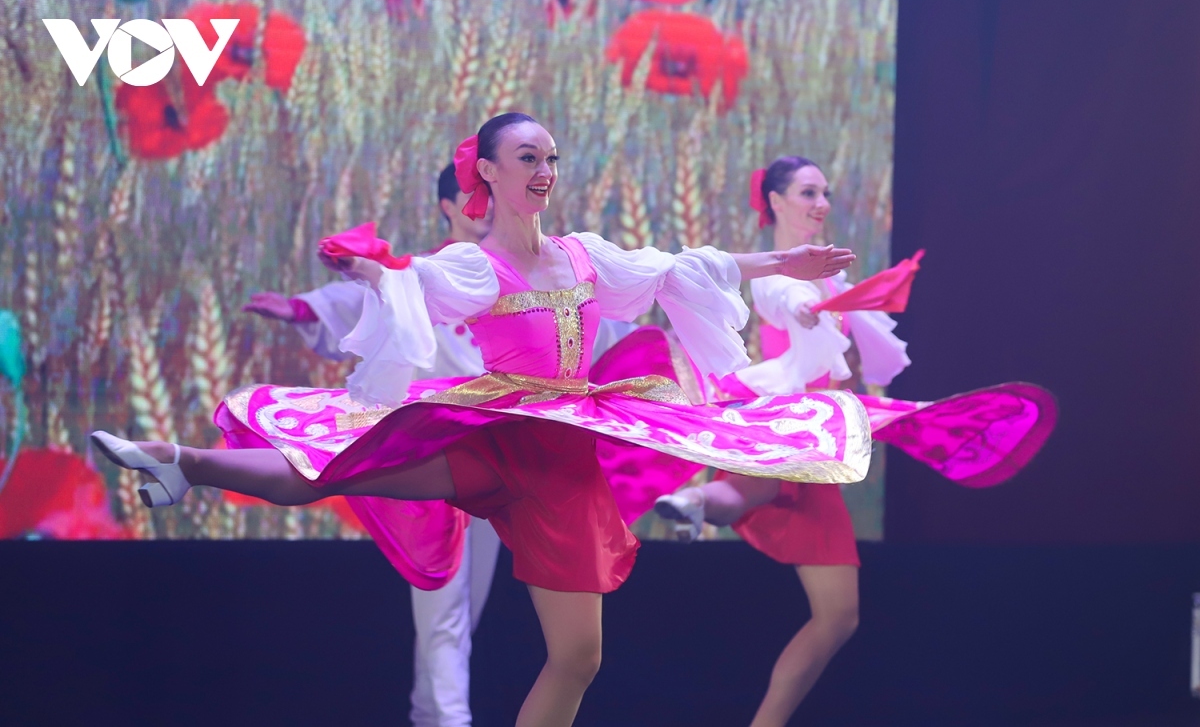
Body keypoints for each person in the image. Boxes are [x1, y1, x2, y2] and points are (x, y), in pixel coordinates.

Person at [91, 113, 865, 727]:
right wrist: (366, 267)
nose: (544, 171)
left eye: (550, 158)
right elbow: (409, 280)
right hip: (497, 441)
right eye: (526, 157)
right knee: (340, 464)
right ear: (487, 173)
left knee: (580, 658)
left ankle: (178, 463)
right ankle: (181, 460)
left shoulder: (587, 255)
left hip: (561, 464)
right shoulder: (475, 264)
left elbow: (685, 269)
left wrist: (781, 264)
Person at [654, 155, 1057, 727]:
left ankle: (694, 506)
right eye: (808, 192)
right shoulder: (775, 273)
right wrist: (802, 304)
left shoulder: (832, 274)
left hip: (821, 442)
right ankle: (694, 504)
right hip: (794, 419)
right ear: (775, 201)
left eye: (824, 193)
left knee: (838, 614)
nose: (820, 203)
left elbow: (850, 346)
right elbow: (776, 300)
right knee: (753, 495)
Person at [243, 163, 501, 727]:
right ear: (447, 208)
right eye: (471, 198)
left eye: (489, 197)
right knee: (444, 610)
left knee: (464, 612)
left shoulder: (512, 278)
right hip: (428, 455)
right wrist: (302, 308)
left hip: (497, 458)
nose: (483, 209)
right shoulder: (417, 276)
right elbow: (361, 293)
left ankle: (427, 713)